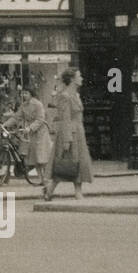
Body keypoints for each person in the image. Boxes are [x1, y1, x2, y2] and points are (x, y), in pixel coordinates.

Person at [46, 68, 92, 200]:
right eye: (79, 76)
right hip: (70, 132)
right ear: (72, 79)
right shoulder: (64, 96)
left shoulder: (75, 95)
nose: (82, 78)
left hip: (78, 131)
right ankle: (50, 189)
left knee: (79, 161)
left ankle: (77, 190)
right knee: (67, 162)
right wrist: (67, 139)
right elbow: (65, 118)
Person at [4, 84, 51, 177]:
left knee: (41, 156)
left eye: (26, 93)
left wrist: (30, 128)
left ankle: (46, 177)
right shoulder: (23, 106)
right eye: (22, 93)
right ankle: (41, 178)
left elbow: (40, 119)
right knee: (35, 157)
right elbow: (16, 117)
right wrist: (6, 124)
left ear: (31, 94)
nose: (23, 95)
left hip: (41, 132)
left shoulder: (38, 104)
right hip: (31, 133)